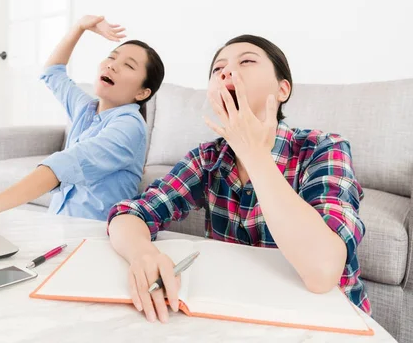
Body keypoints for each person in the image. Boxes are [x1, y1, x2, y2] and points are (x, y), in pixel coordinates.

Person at [107, 35, 369, 323]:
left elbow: (322, 272)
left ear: (282, 89)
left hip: (324, 320)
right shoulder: (208, 158)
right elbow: (130, 213)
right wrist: (143, 254)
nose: (226, 72)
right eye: (218, 68)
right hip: (239, 313)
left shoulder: (323, 148)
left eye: (246, 61)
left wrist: (255, 154)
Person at [0, 15, 165, 221]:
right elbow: (52, 72)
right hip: (58, 222)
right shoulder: (86, 109)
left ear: (142, 93)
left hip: (94, 235)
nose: (112, 66)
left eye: (128, 66)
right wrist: (79, 27)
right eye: (112, 57)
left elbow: (69, 162)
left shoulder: (130, 126)